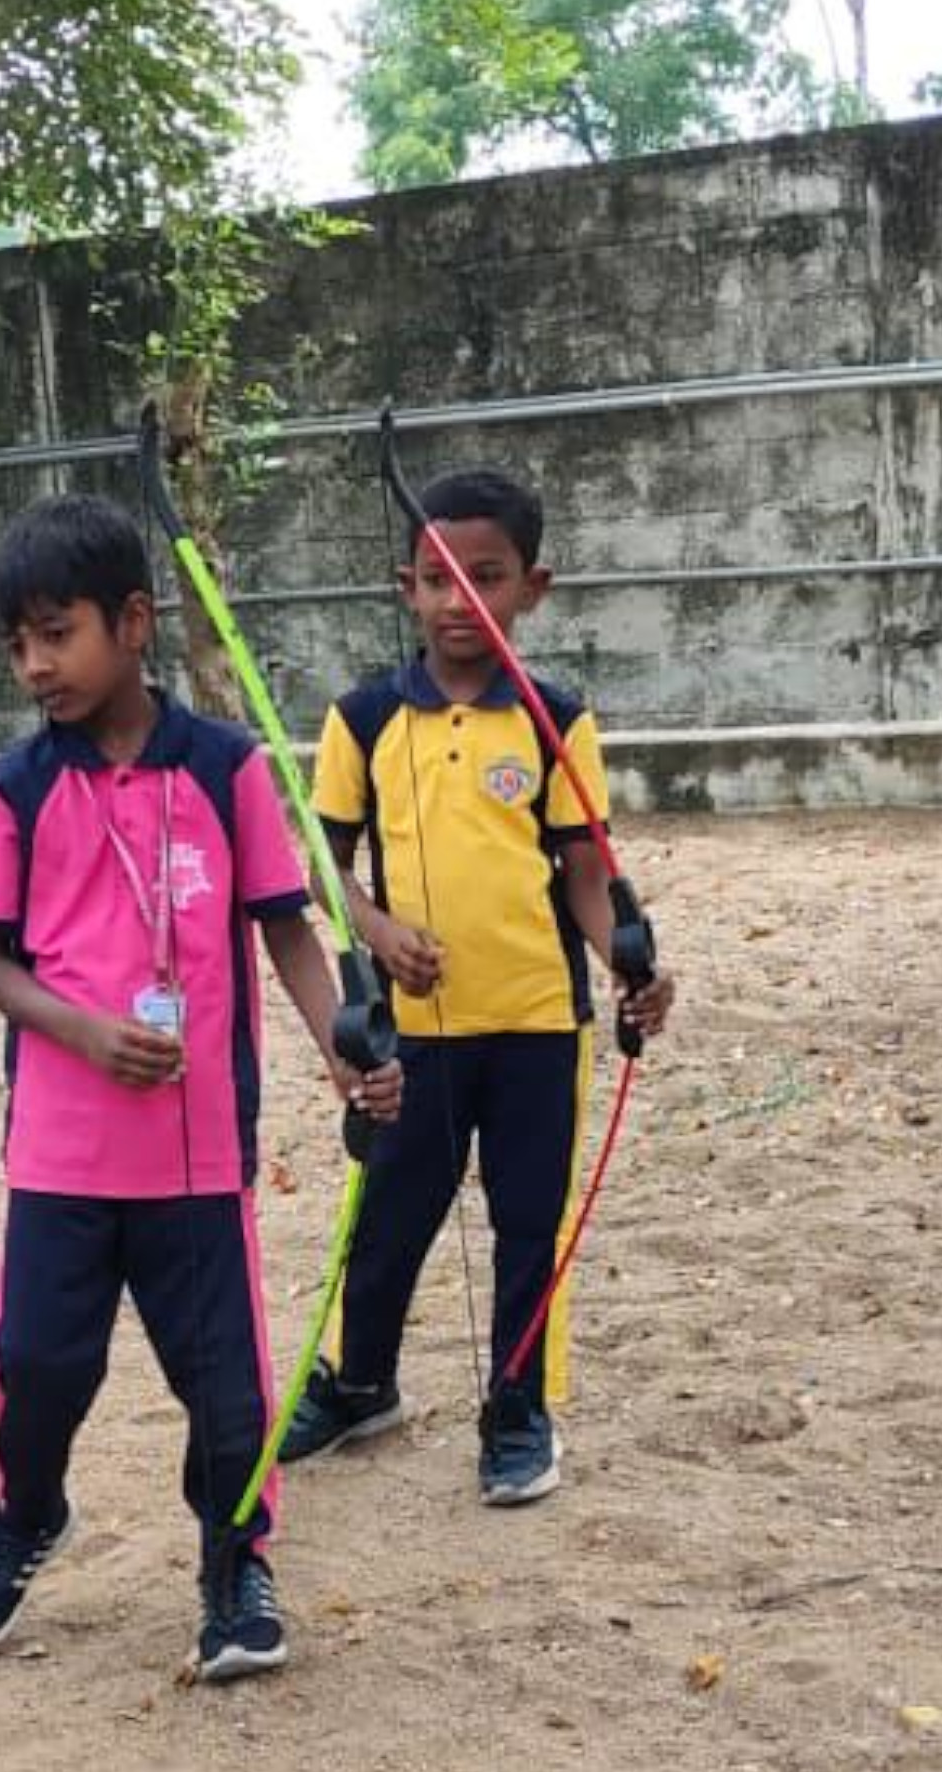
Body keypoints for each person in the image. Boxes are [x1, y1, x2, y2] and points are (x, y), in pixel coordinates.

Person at [0, 494, 402, 1682]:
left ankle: (231, 1559)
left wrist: (334, 1046)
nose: (36, 664)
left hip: (195, 1158)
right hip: (58, 1151)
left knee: (227, 1387)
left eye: (58, 632)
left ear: (133, 623)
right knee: (38, 1365)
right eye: (16, 644)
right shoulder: (16, 789)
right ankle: (25, 1510)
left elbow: (285, 928)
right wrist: (82, 1033)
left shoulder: (225, 769)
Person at [269, 466, 677, 1506]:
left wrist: (627, 968)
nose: (459, 603)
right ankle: (361, 1382)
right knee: (391, 1213)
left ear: (529, 588)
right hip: (415, 1030)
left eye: (483, 577)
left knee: (526, 1223)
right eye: (434, 579)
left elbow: (584, 874)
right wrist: (373, 926)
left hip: (539, 1022)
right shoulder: (362, 719)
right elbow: (326, 863)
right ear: (401, 586)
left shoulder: (554, 719)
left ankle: (515, 1406)